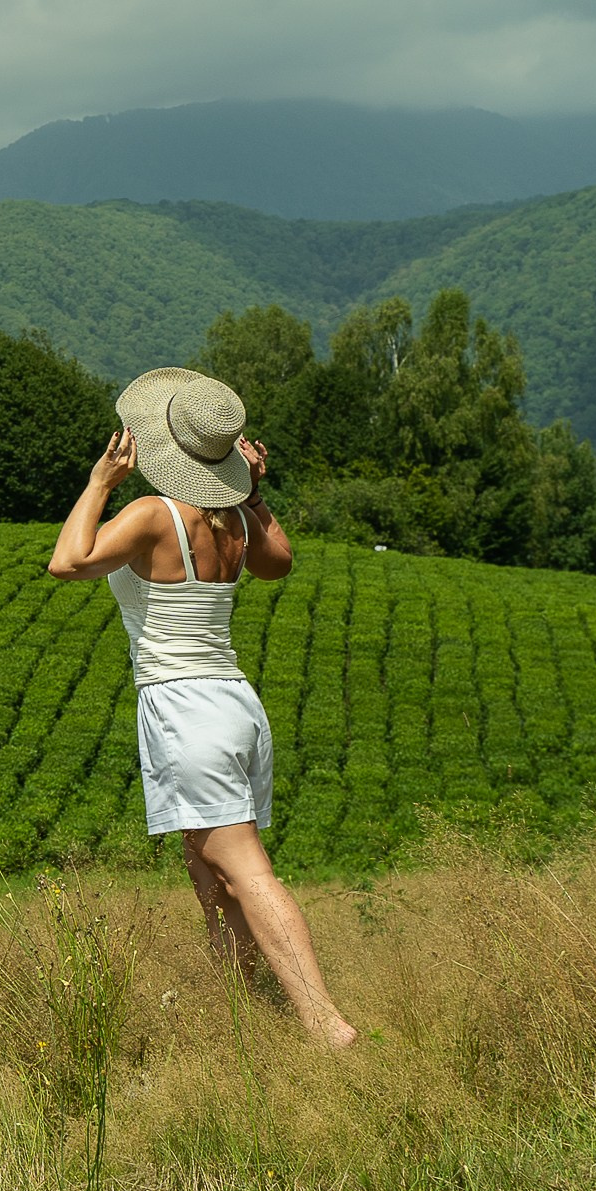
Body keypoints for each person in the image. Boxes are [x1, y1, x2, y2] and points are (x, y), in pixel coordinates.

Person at [46, 367, 356, 1049]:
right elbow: (280, 564)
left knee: (245, 869)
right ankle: (242, 1011)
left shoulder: (151, 516)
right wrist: (255, 492)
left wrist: (100, 482)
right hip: (235, 705)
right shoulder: (242, 520)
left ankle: (324, 1023)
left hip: (185, 711)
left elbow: (67, 562)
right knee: (206, 861)